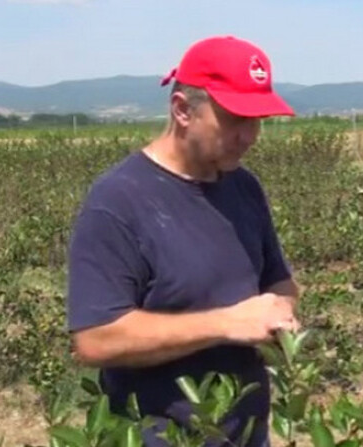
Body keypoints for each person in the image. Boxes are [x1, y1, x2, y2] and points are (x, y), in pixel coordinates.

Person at [65, 35, 300, 446]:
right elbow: (96, 340)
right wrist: (228, 324)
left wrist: (281, 314)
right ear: (183, 110)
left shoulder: (244, 188)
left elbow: (277, 281)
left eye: (258, 119)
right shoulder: (118, 202)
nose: (250, 135)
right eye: (235, 118)